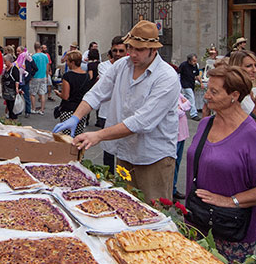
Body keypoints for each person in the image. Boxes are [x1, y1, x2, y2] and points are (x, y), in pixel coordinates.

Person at [53, 20, 180, 203]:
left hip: (153, 157)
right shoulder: (122, 66)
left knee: (153, 211)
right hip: (125, 152)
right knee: (124, 205)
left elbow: (141, 122)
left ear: (154, 50)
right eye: (131, 47)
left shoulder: (166, 77)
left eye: (139, 49)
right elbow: (97, 93)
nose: (133, 54)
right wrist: (76, 117)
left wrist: (98, 135)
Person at [185, 65, 256, 264]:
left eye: (214, 92)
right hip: (198, 220)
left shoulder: (253, 135)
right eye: (208, 89)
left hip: (231, 231)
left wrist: (230, 201)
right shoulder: (205, 124)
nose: (206, 95)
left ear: (234, 95)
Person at [97, 36, 126, 168]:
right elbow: (107, 86)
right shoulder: (103, 66)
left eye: (121, 51)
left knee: (124, 148)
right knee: (108, 148)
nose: (118, 54)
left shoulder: (131, 67)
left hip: (124, 114)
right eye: (115, 51)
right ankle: (108, 175)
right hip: (106, 113)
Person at [229, 50, 256, 132]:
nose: (254, 70)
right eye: (249, 66)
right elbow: (237, 131)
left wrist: (253, 130)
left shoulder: (254, 91)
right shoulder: (231, 94)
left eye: (255, 66)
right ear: (236, 68)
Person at [54, 50, 92, 136]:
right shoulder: (86, 76)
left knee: (67, 136)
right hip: (81, 109)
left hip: (68, 110)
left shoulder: (68, 76)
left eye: (67, 61)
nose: (66, 63)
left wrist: (58, 93)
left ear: (73, 62)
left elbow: (65, 96)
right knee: (78, 135)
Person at [173, 91, 191, 200]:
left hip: (182, 133)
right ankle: (170, 190)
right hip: (174, 134)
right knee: (172, 164)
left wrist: (182, 107)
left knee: (177, 163)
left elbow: (189, 104)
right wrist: (183, 107)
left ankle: (173, 189)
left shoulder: (178, 92)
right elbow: (175, 112)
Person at [178, 53, 202, 120]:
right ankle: (194, 114)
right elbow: (178, 73)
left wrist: (201, 83)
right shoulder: (183, 65)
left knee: (185, 98)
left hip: (191, 84)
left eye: (196, 61)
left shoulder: (195, 66)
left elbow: (197, 75)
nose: (195, 62)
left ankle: (181, 108)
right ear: (189, 60)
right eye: (193, 61)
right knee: (191, 98)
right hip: (185, 84)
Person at [30, 42, 50, 115]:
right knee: (42, 93)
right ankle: (42, 110)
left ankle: (33, 108)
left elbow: (32, 67)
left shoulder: (34, 56)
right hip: (43, 76)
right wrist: (47, 76)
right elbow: (47, 66)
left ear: (35, 48)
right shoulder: (45, 56)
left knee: (33, 93)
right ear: (40, 48)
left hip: (35, 76)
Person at [2, 54, 21, 120]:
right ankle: (10, 117)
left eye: (5, 61)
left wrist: (16, 88)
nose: (4, 63)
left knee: (12, 105)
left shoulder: (14, 69)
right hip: (6, 90)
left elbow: (17, 79)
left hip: (11, 90)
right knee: (8, 105)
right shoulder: (6, 69)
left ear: (9, 61)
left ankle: (14, 119)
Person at [15, 46, 33, 118]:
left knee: (26, 97)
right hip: (18, 81)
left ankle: (28, 111)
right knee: (17, 96)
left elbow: (35, 68)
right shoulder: (17, 59)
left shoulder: (27, 60)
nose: (17, 53)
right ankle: (18, 110)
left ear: (23, 52)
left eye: (19, 51)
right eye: (17, 51)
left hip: (25, 81)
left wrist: (29, 77)